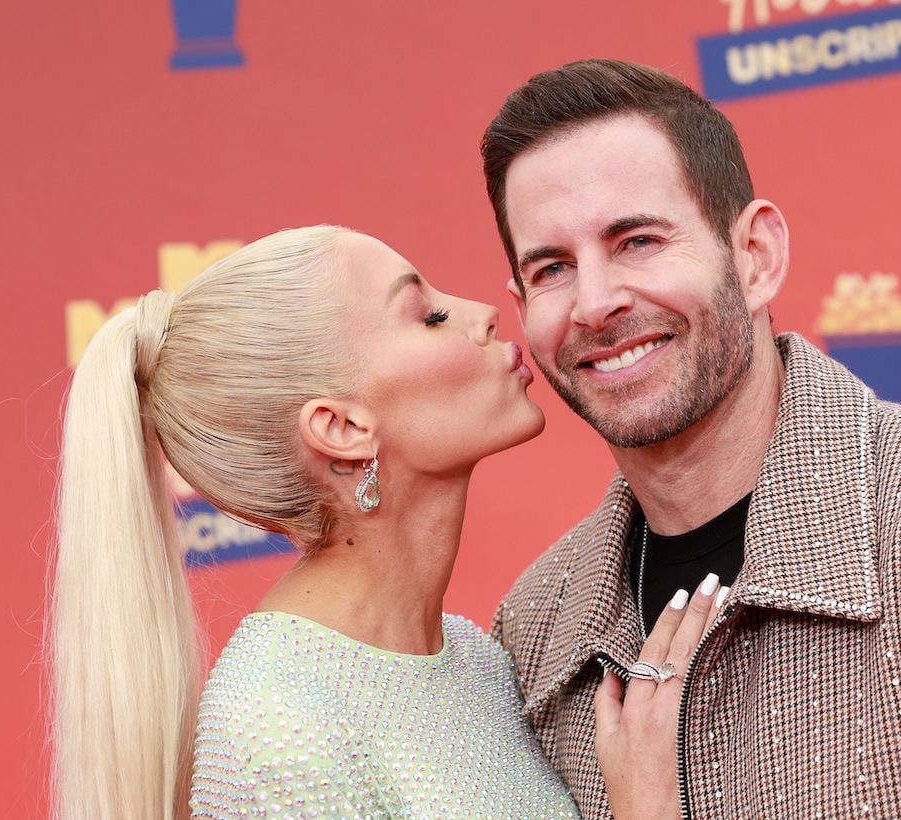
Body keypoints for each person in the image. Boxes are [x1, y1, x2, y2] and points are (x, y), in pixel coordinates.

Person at [481, 58, 901, 818]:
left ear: (755, 256)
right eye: (553, 267)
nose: (595, 303)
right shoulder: (533, 631)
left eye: (637, 241)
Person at [53, 225, 607, 819]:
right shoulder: (275, 728)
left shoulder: (478, 658)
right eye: (429, 316)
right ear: (342, 429)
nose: (486, 314)